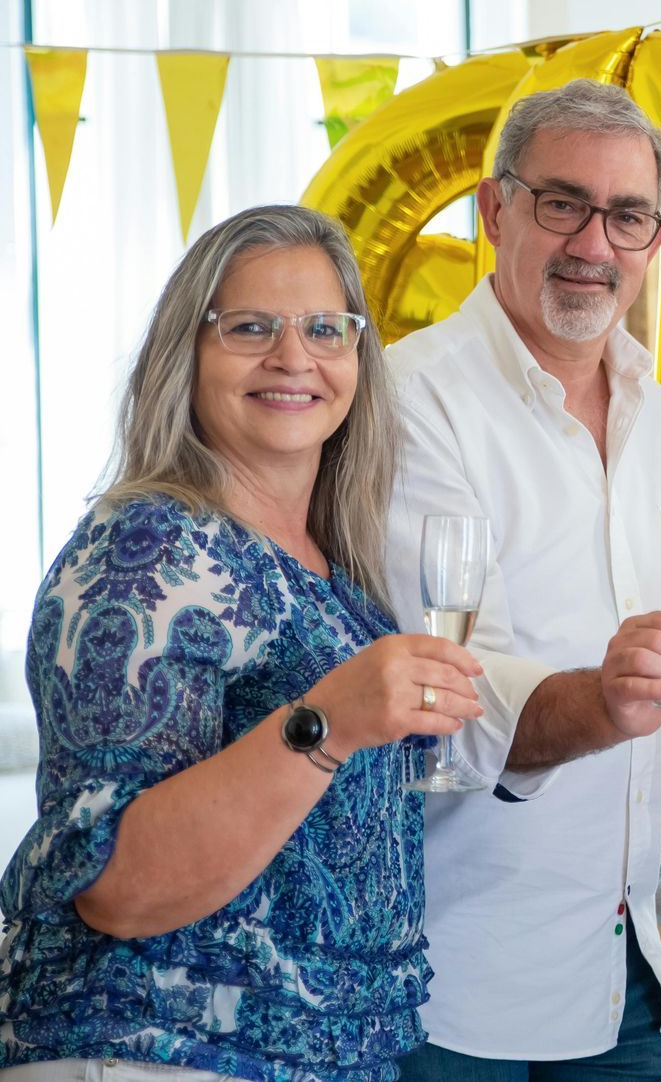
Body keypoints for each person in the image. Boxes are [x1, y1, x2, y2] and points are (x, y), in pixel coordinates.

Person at [0, 206, 483, 1081]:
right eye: (250, 328)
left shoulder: (333, 562)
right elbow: (116, 884)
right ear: (185, 355)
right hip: (161, 1053)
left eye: (324, 329)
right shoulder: (148, 549)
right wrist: (326, 723)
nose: (293, 357)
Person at [387, 81, 661, 1082]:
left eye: (626, 215)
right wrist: (608, 703)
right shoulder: (410, 398)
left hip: (627, 967)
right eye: (562, 202)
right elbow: (454, 690)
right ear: (496, 211)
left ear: (653, 238)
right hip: (456, 984)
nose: (594, 244)